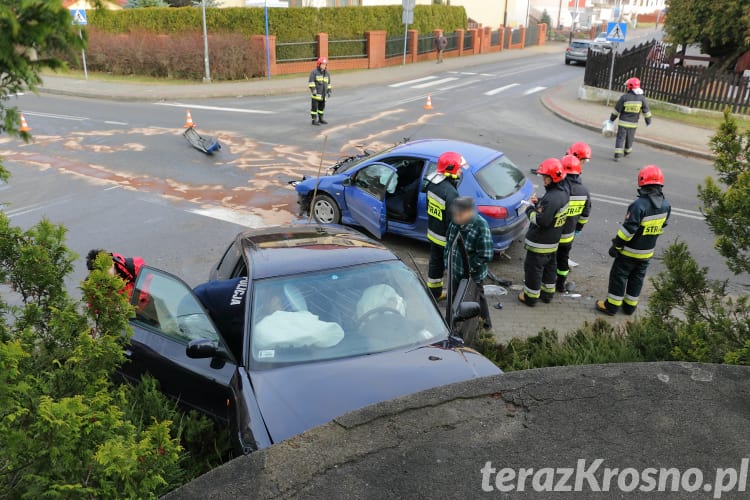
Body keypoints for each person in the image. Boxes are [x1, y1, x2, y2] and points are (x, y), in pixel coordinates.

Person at [597, 165, 671, 316]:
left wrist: (616, 246)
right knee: (637, 279)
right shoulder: (666, 205)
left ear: (642, 181)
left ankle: (611, 307)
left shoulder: (638, 205)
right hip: (646, 253)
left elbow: (628, 231)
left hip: (628, 253)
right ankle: (630, 307)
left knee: (619, 276)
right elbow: (661, 227)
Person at [518, 158, 570, 307]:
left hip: (539, 244)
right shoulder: (563, 194)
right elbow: (552, 210)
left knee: (533, 270)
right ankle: (547, 294)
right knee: (549, 269)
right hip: (552, 243)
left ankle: (530, 297)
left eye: (545, 177)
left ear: (553, 178)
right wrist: (539, 202)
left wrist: (530, 209)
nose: (543, 179)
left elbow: (542, 221)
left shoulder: (552, 198)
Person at [444, 196, 493, 328]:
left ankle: (486, 324)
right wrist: (446, 261)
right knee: (453, 297)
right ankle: (450, 323)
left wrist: (469, 268)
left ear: (469, 212)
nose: (456, 218)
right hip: (455, 272)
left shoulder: (481, 226)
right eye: (455, 214)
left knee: (478, 298)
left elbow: (486, 255)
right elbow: (449, 243)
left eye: (459, 215)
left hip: (473, 276)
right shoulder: (455, 223)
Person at [424, 151, 465, 300]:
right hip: (445, 237)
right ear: (451, 170)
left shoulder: (432, 184)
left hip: (433, 232)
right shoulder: (451, 193)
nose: (460, 171)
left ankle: (434, 293)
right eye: (459, 168)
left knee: (435, 263)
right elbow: (455, 220)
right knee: (454, 268)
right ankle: (455, 298)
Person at [556, 154, 592, 293]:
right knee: (563, 260)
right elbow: (585, 213)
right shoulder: (584, 191)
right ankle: (560, 285)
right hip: (569, 234)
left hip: (554, 234)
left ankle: (547, 284)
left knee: (551, 259)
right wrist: (578, 227)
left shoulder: (559, 188)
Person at [607, 77, 652, 161]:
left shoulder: (624, 97)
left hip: (623, 123)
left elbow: (616, 110)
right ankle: (627, 152)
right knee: (630, 138)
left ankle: (617, 155)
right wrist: (648, 121)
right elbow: (646, 111)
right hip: (633, 124)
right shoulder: (642, 98)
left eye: (627, 86)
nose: (627, 87)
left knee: (620, 138)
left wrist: (611, 120)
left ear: (630, 87)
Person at [308, 57, 332, 126]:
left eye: (325, 64)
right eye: (323, 64)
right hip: (316, 96)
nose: (324, 66)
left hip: (323, 95)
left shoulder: (327, 73)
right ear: (319, 64)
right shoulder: (314, 72)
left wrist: (329, 91)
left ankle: (321, 119)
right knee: (314, 108)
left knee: (321, 108)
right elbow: (311, 82)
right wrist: (313, 90)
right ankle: (314, 120)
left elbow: (329, 83)